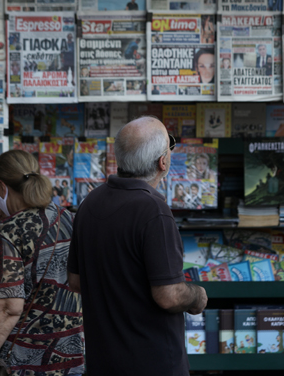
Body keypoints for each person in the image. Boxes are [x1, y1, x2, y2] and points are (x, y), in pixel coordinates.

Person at [68, 116, 207, 375]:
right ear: (162, 162)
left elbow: (75, 281)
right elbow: (169, 295)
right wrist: (197, 295)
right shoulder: (154, 212)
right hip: (152, 363)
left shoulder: (90, 203)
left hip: (103, 363)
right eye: (170, 146)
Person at [0, 150, 83, 376]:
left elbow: (7, 308)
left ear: (2, 187)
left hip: (23, 364)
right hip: (72, 361)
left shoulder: (10, 231)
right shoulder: (70, 219)